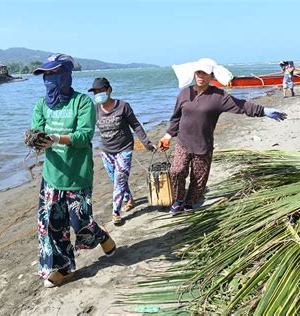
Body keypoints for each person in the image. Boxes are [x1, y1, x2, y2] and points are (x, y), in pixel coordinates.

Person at [158, 58, 287, 215]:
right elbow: (176, 118)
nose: (200, 76)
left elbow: (242, 105)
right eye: (198, 72)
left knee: (199, 178)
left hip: (203, 145)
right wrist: (167, 136)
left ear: (211, 76)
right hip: (183, 143)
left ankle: (190, 202)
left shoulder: (219, 96)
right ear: (194, 74)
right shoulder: (185, 93)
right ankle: (178, 199)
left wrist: (264, 111)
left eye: (204, 73)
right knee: (176, 171)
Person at [30, 53, 116, 288]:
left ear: (66, 75)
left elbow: (84, 135)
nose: (48, 79)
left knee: (80, 223)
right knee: (52, 225)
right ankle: (64, 269)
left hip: (77, 175)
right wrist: (37, 140)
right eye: (45, 75)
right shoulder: (41, 105)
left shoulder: (82, 102)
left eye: (53, 74)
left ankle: (103, 237)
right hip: (52, 175)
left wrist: (56, 138)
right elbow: (36, 129)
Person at [88, 77, 156, 226]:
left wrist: (146, 143)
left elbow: (136, 125)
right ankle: (129, 198)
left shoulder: (123, 106)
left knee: (119, 180)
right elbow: (88, 129)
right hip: (106, 151)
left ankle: (116, 212)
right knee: (116, 180)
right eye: (95, 92)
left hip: (124, 149)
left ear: (109, 90)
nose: (98, 94)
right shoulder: (94, 109)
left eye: (101, 90)